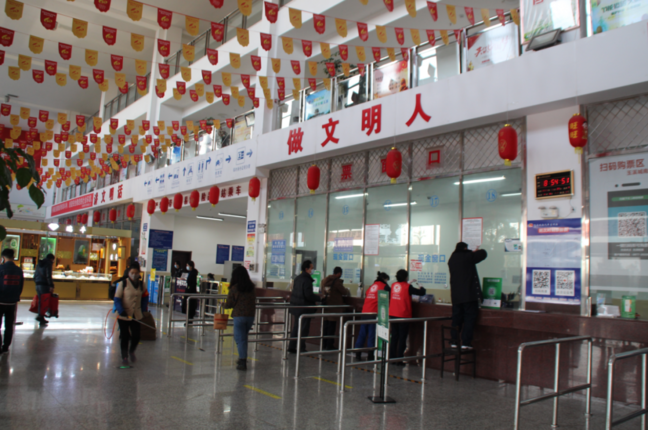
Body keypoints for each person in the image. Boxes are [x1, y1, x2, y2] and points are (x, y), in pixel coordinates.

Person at [448, 242, 488, 350]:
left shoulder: (452, 258)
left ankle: (454, 341)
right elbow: (483, 253)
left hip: (456, 296)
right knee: (469, 319)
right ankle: (466, 343)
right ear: (465, 248)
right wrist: (472, 252)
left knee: (456, 319)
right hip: (469, 295)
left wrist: (470, 253)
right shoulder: (468, 256)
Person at [113, 262, 149, 365]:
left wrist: (143, 310)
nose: (134, 275)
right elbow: (117, 298)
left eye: (136, 273)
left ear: (139, 273)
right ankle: (124, 357)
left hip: (136, 315)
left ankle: (132, 351)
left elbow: (145, 297)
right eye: (132, 272)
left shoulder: (142, 284)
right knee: (125, 336)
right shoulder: (123, 283)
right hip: (123, 315)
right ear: (129, 272)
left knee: (136, 336)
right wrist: (121, 310)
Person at [388, 269, 426, 365]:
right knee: (402, 338)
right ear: (406, 277)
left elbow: (401, 290)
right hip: (403, 315)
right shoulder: (408, 287)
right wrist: (421, 286)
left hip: (393, 314)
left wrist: (408, 283)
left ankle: (392, 358)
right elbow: (421, 293)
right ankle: (399, 359)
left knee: (394, 337)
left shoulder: (393, 285)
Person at [224, 266, 256, 371]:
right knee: (243, 338)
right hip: (250, 316)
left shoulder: (234, 288)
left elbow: (230, 303)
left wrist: (223, 305)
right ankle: (242, 357)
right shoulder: (251, 287)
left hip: (239, 316)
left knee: (240, 339)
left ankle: (242, 361)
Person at [354, 272, 390, 361]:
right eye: (387, 280)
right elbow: (390, 295)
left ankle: (357, 353)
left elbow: (367, 295)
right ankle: (370, 355)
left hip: (364, 312)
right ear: (384, 279)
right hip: (373, 313)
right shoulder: (384, 286)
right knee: (371, 334)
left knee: (362, 334)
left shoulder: (371, 286)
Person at [288, 260, 321, 353]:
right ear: (307, 269)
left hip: (296, 307)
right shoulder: (306, 279)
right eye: (311, 268)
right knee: (303, 329)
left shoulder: (297, 278)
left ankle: (292, 346)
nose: (313, 270)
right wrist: (319, 299)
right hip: (304, 308)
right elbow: (308, 295)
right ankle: (301, 347)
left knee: (296, 327)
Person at [0, 249, 24, 353]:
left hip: (1, 301)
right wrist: (15, 296)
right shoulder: (19, 270)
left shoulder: (1, 269)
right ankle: (6, 346)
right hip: (12, 302)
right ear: (13, 257)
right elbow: (20, 286)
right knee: (9, 325)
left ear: (3, 258)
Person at [320, 267, 350, 350]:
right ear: (339, 273)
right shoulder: (336, 282)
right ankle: (329, 345)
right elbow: (344, 291)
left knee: (326, 326)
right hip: (334, 307)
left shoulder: (325, 280)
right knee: (331, 327)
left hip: (326, 306)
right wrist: (347, 290)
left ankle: (324, 344)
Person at [33, 253, 55, 327]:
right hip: (44, 285)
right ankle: (40, 316)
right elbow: (48, 275)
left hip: (38, 285)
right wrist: (51, 285)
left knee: (41, 301)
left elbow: (34, 276)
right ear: (51, 259)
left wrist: (37, 283)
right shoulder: (48, 264)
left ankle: (40, 316)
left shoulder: (39, 264)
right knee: (44, 302)